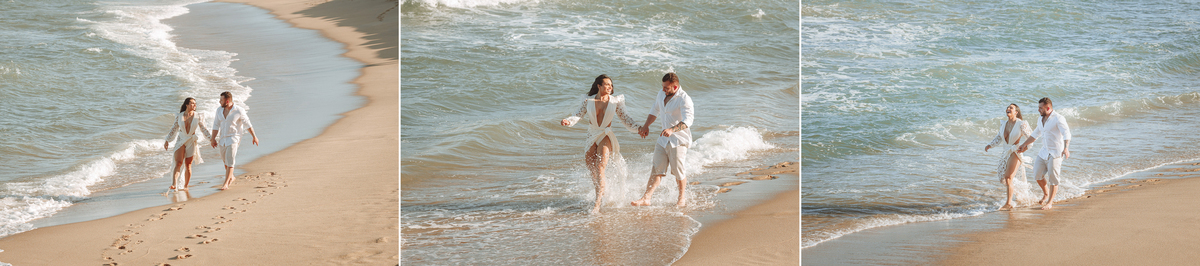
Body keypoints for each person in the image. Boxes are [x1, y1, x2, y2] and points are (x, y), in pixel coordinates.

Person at [561, 74, 641, 213]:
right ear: (599, 86)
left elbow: (626, 118)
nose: (610, 87)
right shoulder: (588, 101)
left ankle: (597, 203)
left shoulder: (615, 101)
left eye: (611, 85)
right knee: (592, 169)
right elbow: (577, 115)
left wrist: (639, 128)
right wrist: (568, 121)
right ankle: (601, 192)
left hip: (605, 134)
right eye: (607, 84)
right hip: (592, 134)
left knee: (600, 167)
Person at [631, 72, 694, 208]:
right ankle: (646, 198)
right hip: (663, 139)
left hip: (678, 140)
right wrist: (646, 126)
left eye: (667, 88)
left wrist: (672, 129)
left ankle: (681, 198)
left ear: (675, 87)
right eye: (663, 86)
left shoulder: (684, 99)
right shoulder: (661, 93)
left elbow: (688, 120)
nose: (663, 90)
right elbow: (655, 110)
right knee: (656, 169)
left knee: (678, 171)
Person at [1018, 97, 1072, 210]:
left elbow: (1067, 134)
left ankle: (1050, 202)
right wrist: (1024, 144)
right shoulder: (1040, 119)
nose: (1038, 110)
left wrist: (1066, 148)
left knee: (1053, 178)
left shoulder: (1058, 118)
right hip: (1044, 151)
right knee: (1037, 173)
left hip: (1056, 152)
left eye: (1040, 108)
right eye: (1038, 108)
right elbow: (1035, 134)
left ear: (1048, 108)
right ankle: (1046, 193)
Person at [984, 104, 1034, 211]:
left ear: (1016, 112)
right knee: (1002, 177)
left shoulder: (1022, 124)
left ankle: (1008, 203)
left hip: (1016, 152)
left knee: (1008, 177)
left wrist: (1025, 148)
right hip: (1005, 152)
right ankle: (1015, 193)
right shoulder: (1004, 124)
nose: (1008, 109)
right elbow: (998, 137)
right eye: (1008, 107)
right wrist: (990, 145)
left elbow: (1031, 138)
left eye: (1011, 108)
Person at [210, 91, 259, 190]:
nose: (220, 102)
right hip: (222, 139)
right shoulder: (219, 110)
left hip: (233, 138)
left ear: (227, 101)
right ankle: (231, 177)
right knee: (225, 161)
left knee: (230, 161)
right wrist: (213, 138)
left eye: (221, 100)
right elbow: (216, 125)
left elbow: (247, 124)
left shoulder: (239, 110)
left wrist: (254, 136)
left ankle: (226, 183)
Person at [163, 97, 212, 191]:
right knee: (178, 162)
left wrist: (211, 139)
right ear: (187, 104)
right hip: (181, 139)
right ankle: (174, 184)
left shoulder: (198, 116)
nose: (195, 105)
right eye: (192, 103)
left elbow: (204, 129)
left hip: (191, 141)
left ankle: (185, 185)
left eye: (195, 103)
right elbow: (174, 129)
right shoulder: (179, 116)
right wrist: (167, 140)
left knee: (188, 165)